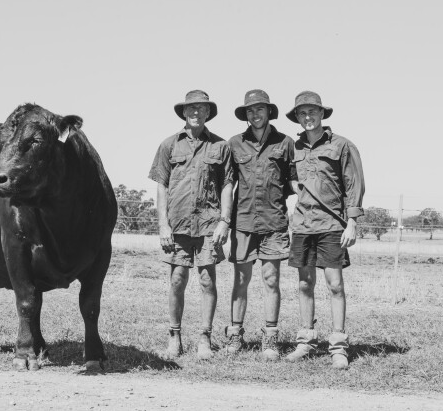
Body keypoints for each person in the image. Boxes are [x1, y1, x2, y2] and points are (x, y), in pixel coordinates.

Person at [148, 90, 233, 360]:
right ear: (184, 112)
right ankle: (174, 336)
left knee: (207, 280)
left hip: (209, 224)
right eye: (191, 108)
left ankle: (205, 337)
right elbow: (161, 186)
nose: (196, 112)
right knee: (177, 279)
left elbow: (227, 185)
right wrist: (163, 225)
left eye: (201, 108)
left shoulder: (220, 146)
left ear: (208, 113)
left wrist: (224, 221)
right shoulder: (169, 145)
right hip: (178, 224)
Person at [285, 91, 365, 369]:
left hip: (332, 225)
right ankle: (305, 341)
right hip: (303, 225)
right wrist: (297, 190)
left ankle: (338, 345)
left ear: (322, 114)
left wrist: (352, 222)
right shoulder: (293, 148)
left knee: (335, 285)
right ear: (297, 117)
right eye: (302, 113)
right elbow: (289, 178)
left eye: (312, 112)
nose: (307, 117)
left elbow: (354, 184)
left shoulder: (342, 145)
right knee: (304, 284)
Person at [225, 90, 295, 360]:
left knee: (271, 279)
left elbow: (293, 182)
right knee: (241, 280)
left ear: (269, 112)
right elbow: (227, 183)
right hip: (242, 222)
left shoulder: (285, 143)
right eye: (250, 110)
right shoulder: (234, 144)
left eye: (260, 109)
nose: (255, 114)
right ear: (246, 114)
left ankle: (270, 337)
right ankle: (235, 334)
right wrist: (224, 220)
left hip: (273, 222)